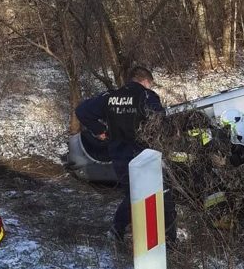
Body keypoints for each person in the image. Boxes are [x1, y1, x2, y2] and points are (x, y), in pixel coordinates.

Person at [75, 66, 177, 245]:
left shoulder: (109, 97)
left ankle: (118, 230)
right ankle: (168, 240)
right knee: (162, 192)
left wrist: (100, 130)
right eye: (149, 84)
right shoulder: (146, 96)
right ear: (145, 81)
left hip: (118, 154)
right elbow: (159, 121)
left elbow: (81, 111)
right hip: (143, 153)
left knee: (133, 193)